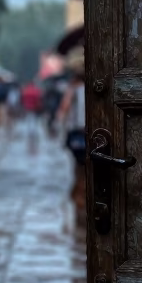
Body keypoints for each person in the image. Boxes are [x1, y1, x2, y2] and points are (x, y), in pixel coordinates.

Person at [57, 47, 86, 222]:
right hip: (82, 134)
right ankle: (80, 200)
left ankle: (79, 200)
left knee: (79, 169)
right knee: (84, 169)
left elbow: (63, 110)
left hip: (76, 134)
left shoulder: (73, 88)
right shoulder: (76, 88)